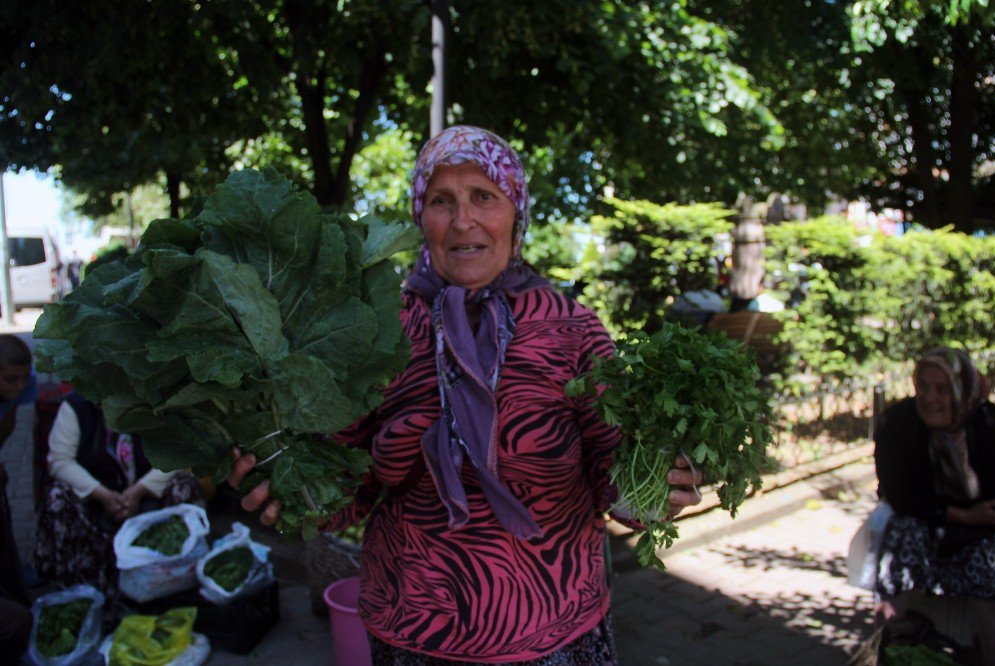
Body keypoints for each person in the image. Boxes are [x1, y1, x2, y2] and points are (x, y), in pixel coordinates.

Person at [229, 125, 704, 665]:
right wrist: (286, 486)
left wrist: (655, 491)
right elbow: (347, 489)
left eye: (484, 196)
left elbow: (611, 475)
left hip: (554, 630)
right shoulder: (375, 330)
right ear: (418, 215)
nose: (463, 221)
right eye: (441, 200)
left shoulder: (571, 330)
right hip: (415, 633)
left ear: (516, 211)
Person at [873, 347, 995, 662]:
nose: (929, 398)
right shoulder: (897, 422)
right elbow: (899, 495)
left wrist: (973, 520)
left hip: (982, 527)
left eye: (942, 389)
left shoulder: (990, 425)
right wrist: (961, 515)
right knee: (901, 539)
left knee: (988, 563)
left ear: (963, 389)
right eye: (923, 387)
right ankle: (888, 643)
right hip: (924, 518)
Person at [33, 392, 203, 597]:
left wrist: (139, 491)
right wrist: (102, 494)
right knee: (57, 497)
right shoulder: (77, 406)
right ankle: (80, 589)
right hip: (95, 498)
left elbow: (181, 453)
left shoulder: (154, 401)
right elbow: (60, 460)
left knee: (185, 485)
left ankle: (175, 584)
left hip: (148, 495)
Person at [0, 335, 35, 659]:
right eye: (11, 379)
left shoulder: (25, 385)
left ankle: (15, 587)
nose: (19, 385)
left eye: (23, 378)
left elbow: (11, 419)